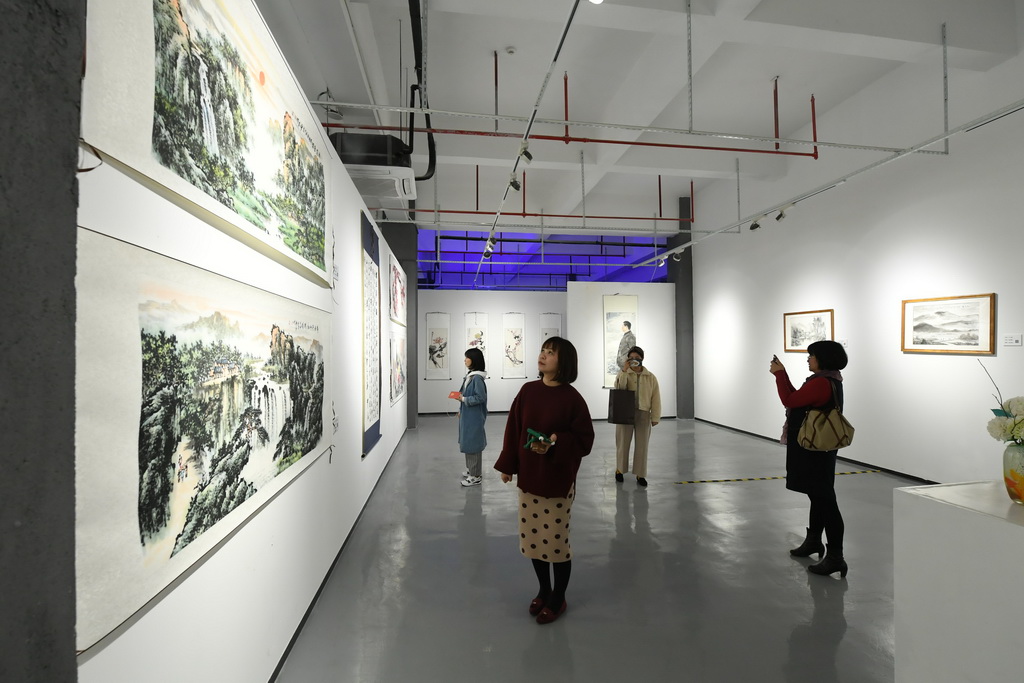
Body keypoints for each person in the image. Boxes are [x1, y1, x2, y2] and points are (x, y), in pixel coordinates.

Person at [494, 337, 594, 624]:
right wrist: (508, 465)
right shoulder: (528, 391)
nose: (543, 355)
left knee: (556, 545)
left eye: (550, 353)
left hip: (557, 482)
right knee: (534, 541)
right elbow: (514, 429)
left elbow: (585, 440)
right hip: (530, 480)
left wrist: (556, 441)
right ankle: (544, 590)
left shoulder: (572, 399)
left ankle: (558, 597)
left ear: (564, 363)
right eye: (543, 350)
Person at [769, 340, 850, 578]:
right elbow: (797, 397)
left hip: (815, 450)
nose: (808, 359)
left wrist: (779, 375)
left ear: (823, 359)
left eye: (812, 355)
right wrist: (782, 373)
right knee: (818, 496)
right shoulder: (825, 380)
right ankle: (814, 541)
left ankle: (835, 557)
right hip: (816, 447)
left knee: (826, 501)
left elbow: (790, 401)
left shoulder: (822, 383)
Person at [613, 346, 661, 487]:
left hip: (644, 413)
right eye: (631, 358)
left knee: (642, 445)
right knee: (622, 443)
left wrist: (655, 417)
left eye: (637, 358)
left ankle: (640, 474)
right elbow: (618, 388)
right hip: (624, 413)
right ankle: (620, 470)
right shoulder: (624, 373)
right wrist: (624, 371)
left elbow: (656, 397)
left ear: (642, 359)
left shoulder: (650, 377)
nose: (634, 360)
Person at [454, 348, 487, 487]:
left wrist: (463, 399)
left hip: (474, 417)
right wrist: (461, 408)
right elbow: (464, 394)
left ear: (474, 360)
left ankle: (476, 476)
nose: (465, 360)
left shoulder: (477, 378)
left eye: (467, 357)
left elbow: (480, 397)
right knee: (468, 442)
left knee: (473, 445)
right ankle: (471, 470)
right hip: (468, 415)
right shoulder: (470, 376)